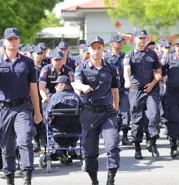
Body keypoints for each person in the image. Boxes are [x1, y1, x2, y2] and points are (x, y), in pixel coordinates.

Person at [0, 27, 42, 185]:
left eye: (15, 38)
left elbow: (34, 89)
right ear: (4, 42)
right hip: (2, 109)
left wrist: (37, 111)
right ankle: (9, 177)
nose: (13, 41)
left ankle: (27, 176)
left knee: (24, 140)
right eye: (10, 39)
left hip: (22, 107)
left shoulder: (27, 62)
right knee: (7, 147)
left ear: (19, 41)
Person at [74, 36, 120, 185]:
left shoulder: (111, 68)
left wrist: (116, 107)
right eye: (93, 48)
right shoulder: (82, 68)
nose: (96, 51)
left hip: (108, 112)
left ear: (103, 48)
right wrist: (83, 87)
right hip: (89, 113)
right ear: (89, 49)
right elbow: (77, 83)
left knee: (112, 144)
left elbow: (115, 89)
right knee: (90, 150)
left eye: (99, 47)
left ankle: (111, 177)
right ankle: (94, 180)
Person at [123, 29, 162, 159]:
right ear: (135, 39)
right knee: (137, 119)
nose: (142, 40)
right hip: (135, 90)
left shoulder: (152, 54)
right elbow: (127, 69)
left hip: (151, 89)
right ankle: (137, 147)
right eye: (140, 38)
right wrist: (127, 80)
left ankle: (152, 141)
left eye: (144, 38)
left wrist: (152, 83)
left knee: (154, 114)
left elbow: (158, 71)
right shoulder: (130, 55)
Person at [45, 76, 81, 164]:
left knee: (45, 122)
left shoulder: (55, 97)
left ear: (63, 85)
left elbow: (47, 114)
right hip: (75, 131)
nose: (55, 87)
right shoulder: (77, 96)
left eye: (57, 84)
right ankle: (71, 148)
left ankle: (59, 150)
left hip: (58, 131)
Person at [104, 34, 132, 146]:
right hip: (111, 89)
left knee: (126, 111)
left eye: (121, 42)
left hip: (123, 88)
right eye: (118, 42)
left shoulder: (125, 56)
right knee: (113, 112)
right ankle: (114, 134)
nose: (120, 44)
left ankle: (125, 135)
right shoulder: (106, 57)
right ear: (112, 44)